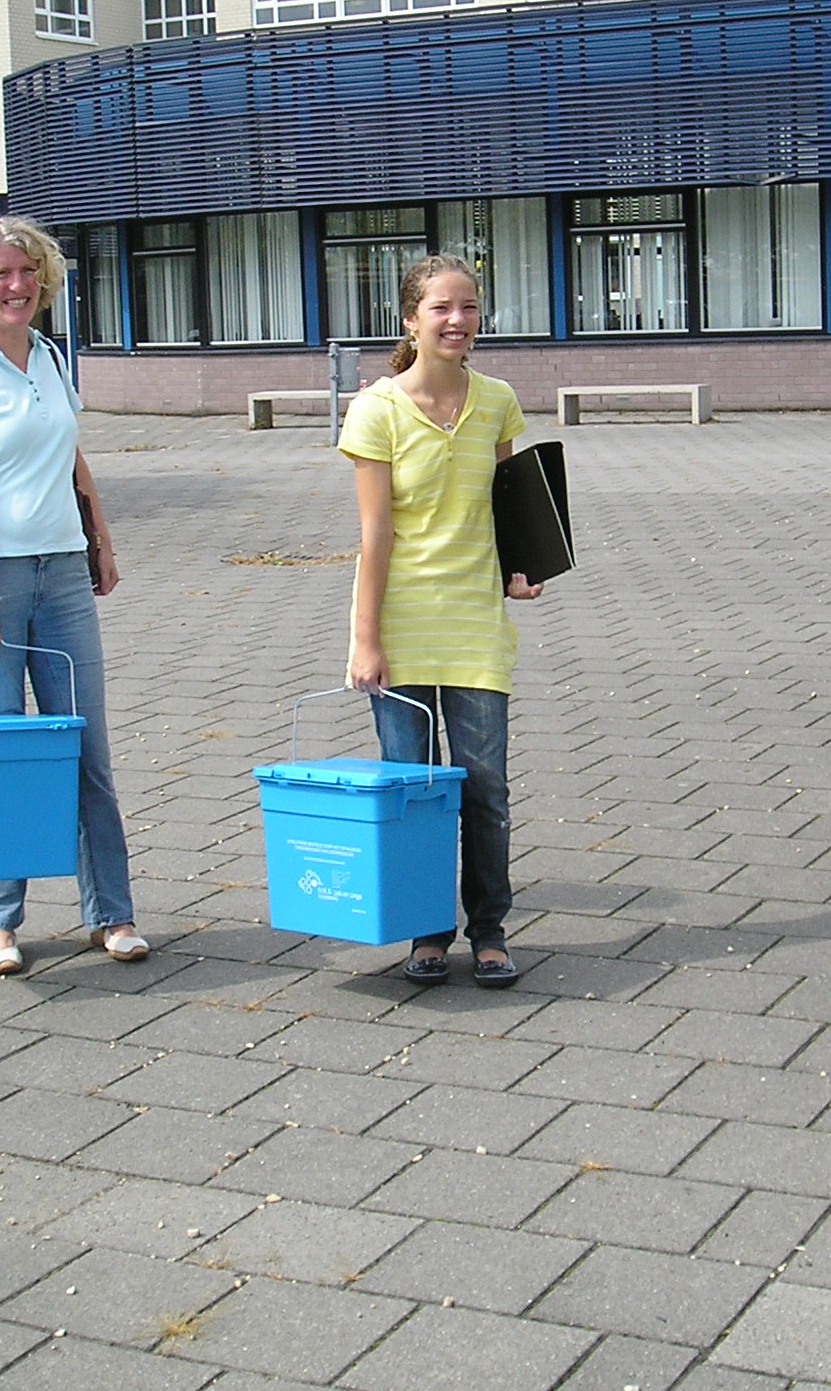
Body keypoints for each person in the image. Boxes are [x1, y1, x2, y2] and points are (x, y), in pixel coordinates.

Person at [0, 215, 148, 974]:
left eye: (27, 272)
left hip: (61, 573)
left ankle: (111, 914)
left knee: (85, 746)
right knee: (0, 751)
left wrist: (100, 538)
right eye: (1, 275)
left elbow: (70, 455)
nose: (17, 286)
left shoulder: (48, 356)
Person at [341, 255, 542, 988]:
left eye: (469, 306)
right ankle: (427, 929)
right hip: (400, 622)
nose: (458, 320)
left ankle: (489, 928)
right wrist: (365, 640)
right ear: (409, 319)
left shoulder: (497, 401)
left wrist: (520, 567)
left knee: (486, 787)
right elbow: (374, 536)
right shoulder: (376, 410)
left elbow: (506, 501)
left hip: (476, 621)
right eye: (441, 308)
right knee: (416, 788)